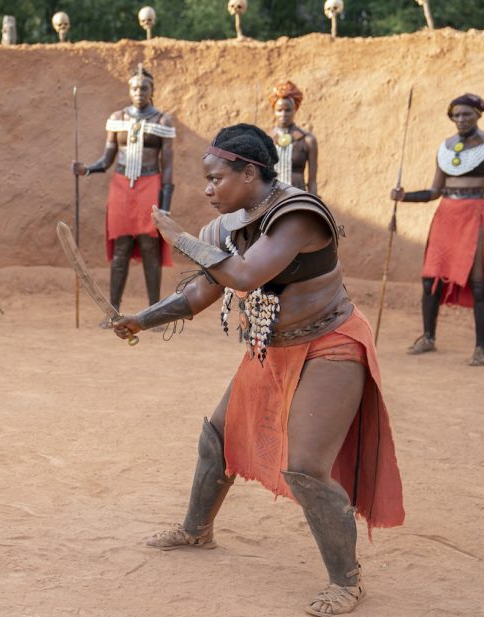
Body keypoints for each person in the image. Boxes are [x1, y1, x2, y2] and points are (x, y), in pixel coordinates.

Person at [112, 124, 404, 616]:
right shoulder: (224, 226)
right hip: (273, 346)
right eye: (205, 180)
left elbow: (246, 275)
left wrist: (178, 238)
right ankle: (195, 530)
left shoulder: (298, 213)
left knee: (306, 468)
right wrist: (140, 319)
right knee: (217, 437)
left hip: (331, 343)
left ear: (250, 173)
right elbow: (201, 294)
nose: (207, 189)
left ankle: (346, 582)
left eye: (216, 178)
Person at [391, 93, 484, 366]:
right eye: (456, 115)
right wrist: (404, 196)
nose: (461, 119)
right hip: (446, 213)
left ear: (478, 115)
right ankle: (428, 337)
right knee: (430, 278)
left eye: (466, 114)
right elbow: (435, 191)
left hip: (475, 214)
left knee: (479, 283)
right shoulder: (445, 148)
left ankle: (482, 348)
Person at [71, 64, 175, 323]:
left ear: (152, 90)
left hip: (150, 185)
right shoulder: (118, 118)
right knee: (121, 249)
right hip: (120, 187)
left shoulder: (162, 121)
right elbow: (106, 159)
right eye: (135, 87)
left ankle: (154, 312)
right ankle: (113, 311)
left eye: (144, 87)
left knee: (150, 248)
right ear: (129, 90)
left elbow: (169, 166)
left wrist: (165, 206)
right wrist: (86, 169)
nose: (139, 91)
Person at [268, 80, 318, 194]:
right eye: (279, 110)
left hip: (298, 199)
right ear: (274, 111)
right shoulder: (266, 141)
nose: (283, 114)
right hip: (271, 200)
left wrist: (313, 207)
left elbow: (312, 181)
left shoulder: (307, 140)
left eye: (288, 110)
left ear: (295, 109)